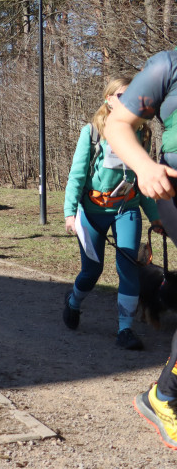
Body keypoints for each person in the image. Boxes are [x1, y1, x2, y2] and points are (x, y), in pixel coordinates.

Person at [101, 50, 177, 448]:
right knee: (97, 268)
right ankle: (164, 394)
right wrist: (146, 168)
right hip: (110, 205)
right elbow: (117, 128)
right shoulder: (168, 66)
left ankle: (162, 392)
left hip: (137, 205)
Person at [63, 76, 161, 352]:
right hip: (92, 212)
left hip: (126, 209)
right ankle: (73, 301)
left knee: (128, 266)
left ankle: (125, 329)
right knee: (91, 271)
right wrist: (70, 212)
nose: (127, 100)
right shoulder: (92, 132)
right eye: (121, 95)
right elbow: (77, 176)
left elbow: (143, 179)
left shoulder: (142, 132)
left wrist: (155, 217)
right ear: (108, 99)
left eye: (132, 95)